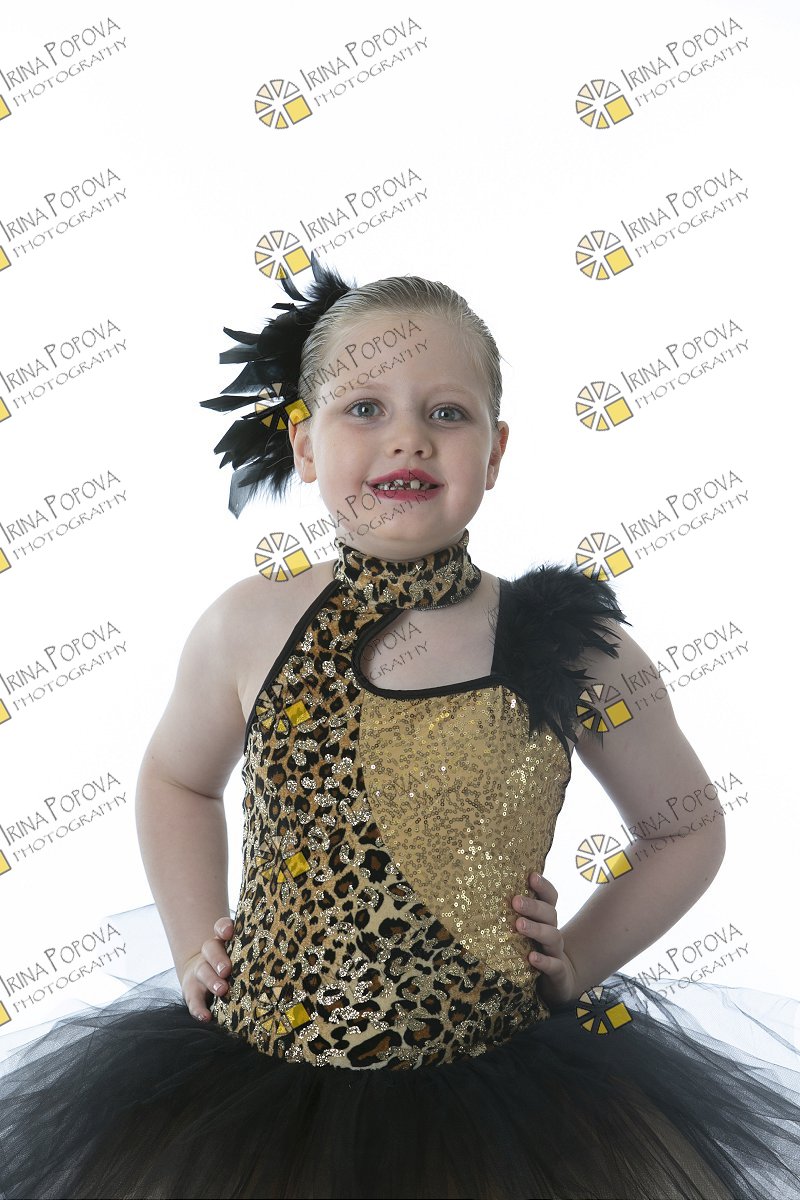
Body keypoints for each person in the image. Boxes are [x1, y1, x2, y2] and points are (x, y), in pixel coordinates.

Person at [1, 259, 799, 1200]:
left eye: (447, 413)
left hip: (497, 1096)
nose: (408, 438)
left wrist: (577, 958)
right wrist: (190, 945)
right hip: (260, 1092)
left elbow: (685, 825)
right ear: (304, 444)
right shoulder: (248, 625)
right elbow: (177, 780)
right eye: (365, 409)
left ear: (495, 452)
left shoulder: (568, 646)